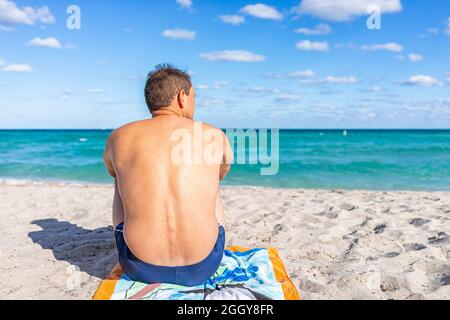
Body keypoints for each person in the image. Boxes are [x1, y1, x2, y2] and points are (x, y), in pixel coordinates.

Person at [103, 64, 233, 286]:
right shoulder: (213, 135)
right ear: (182, 97)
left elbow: (111, 170)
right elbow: (221, 174)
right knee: (212, 176)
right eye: (194, 97)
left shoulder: (119, 136)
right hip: (203, 266)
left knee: (120, 175)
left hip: (138, 265)